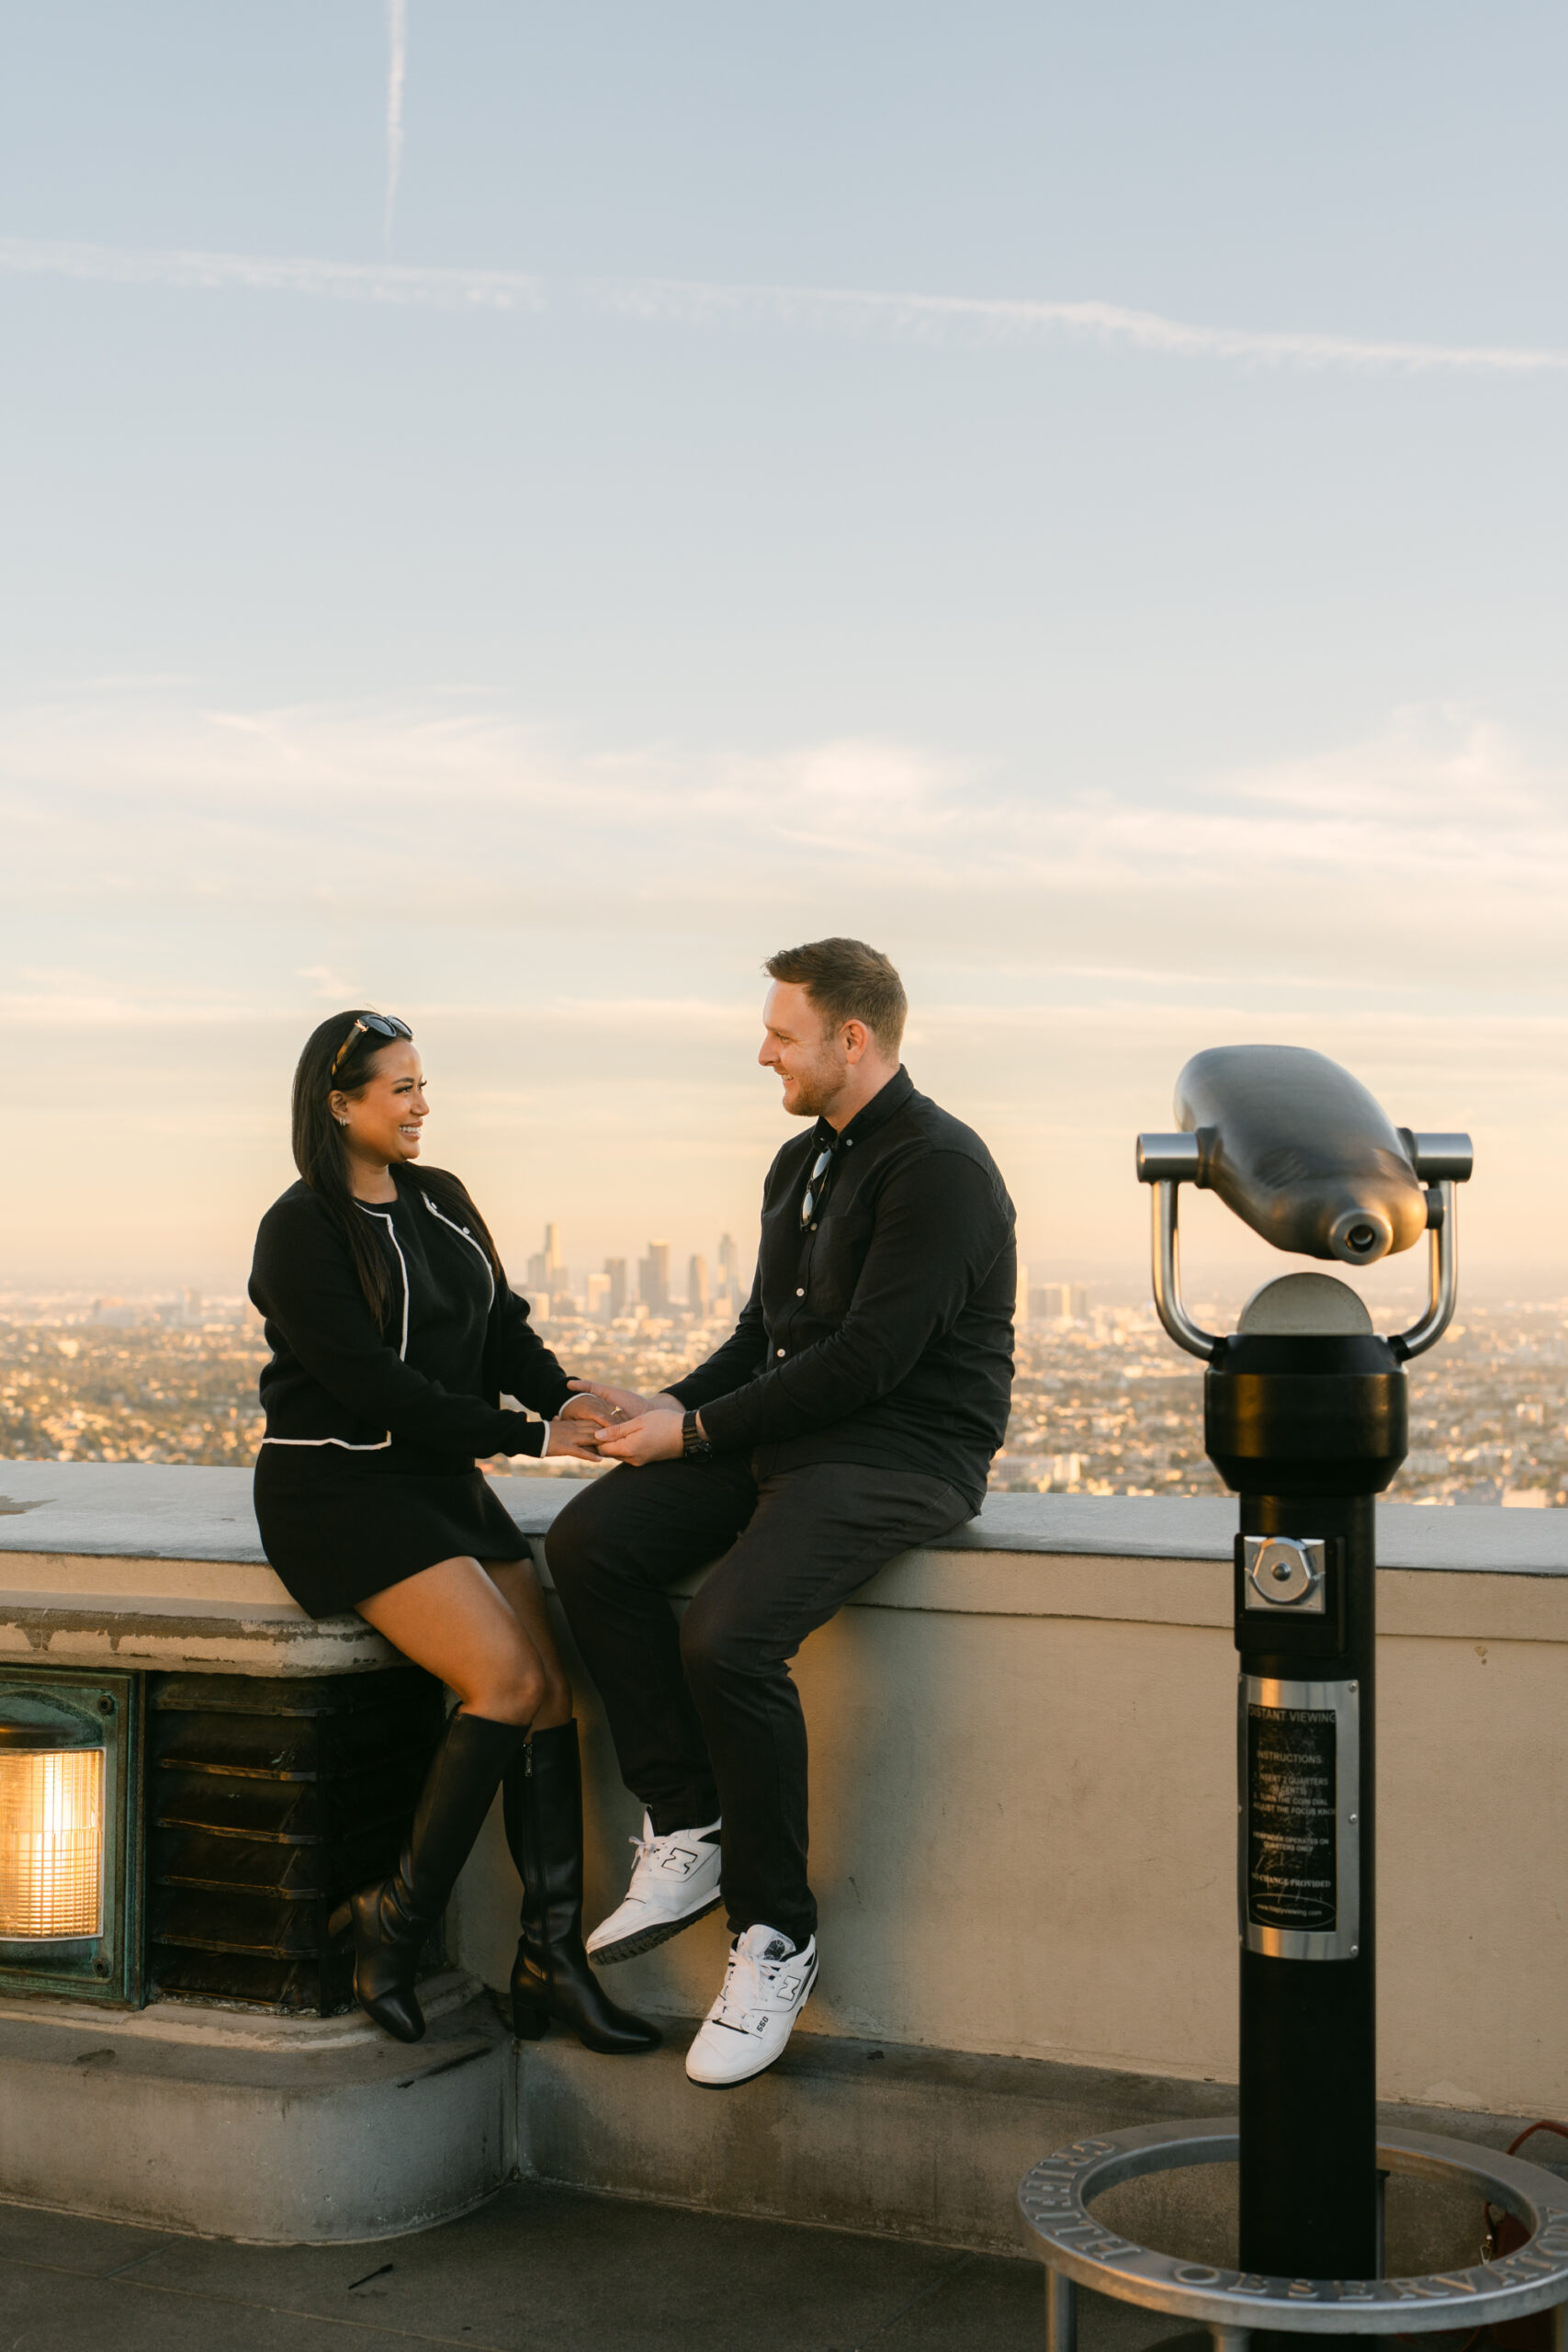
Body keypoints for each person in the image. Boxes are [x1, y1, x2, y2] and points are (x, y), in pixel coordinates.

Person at [547, 939, 1016, 2086]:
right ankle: (689, 1823)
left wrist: (698, 1435)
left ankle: (775, 1934)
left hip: (903, 1452)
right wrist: (672, 1404)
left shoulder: (940, 1167)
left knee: (727, 1635)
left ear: (852, 1039)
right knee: (591, 1543)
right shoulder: (799, 1164)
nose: (764, 1052)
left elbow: (869, 1359)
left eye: (783, 1034)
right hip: (799, 1437)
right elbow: (766, 1338)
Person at [248, 1009, 657, 2057]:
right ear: (339, 1105)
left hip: (435, 1478)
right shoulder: (299, 1229)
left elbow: (500, 1330)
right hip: (343, 1489)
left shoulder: (441, 1200)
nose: (422, 1105)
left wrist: (571, 1393)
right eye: (400, 1088)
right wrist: (529, 1435)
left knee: (553, 1695)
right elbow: (373, 1385)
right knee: (507, 1684)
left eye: (424, 1085)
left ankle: (549, 1961)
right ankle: (390, 1920)